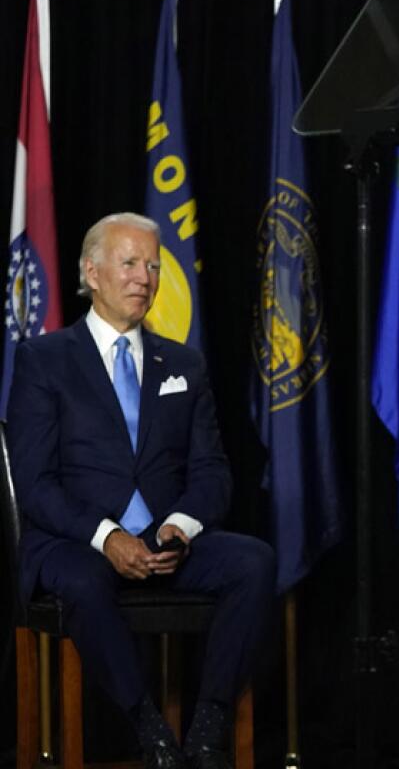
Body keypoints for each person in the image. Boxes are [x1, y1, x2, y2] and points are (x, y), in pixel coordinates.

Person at [7, 213, 275, 769]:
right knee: (82, 580)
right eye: (129, 263)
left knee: (253, 561)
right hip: (75, 541)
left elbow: (211, 471)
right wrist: (106, 538)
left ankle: (206, 731)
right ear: (92, 272)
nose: (144, 278)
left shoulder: (184, 364)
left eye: (152, 265)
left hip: (163, 539)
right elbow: (35, 484)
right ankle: (150, 732)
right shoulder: (44, 360)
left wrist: (182, 525)